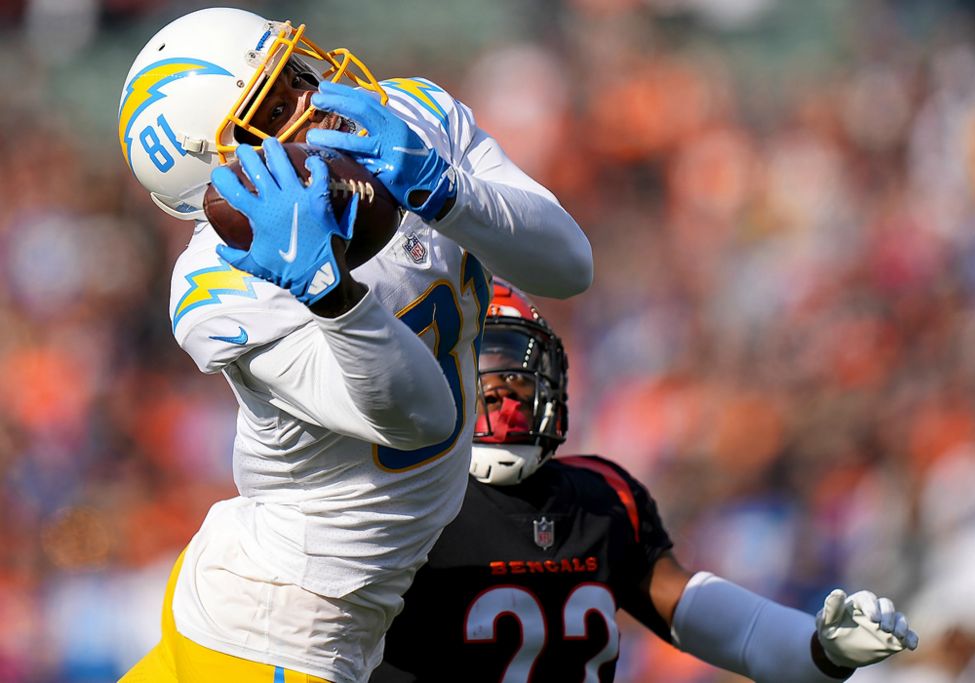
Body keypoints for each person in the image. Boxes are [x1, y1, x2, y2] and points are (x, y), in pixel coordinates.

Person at [115, 7, 592, 683]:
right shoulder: (218, 287)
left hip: (264, 607)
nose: (315, 102)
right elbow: (420, 417)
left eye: (297, 72)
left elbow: (570, 265)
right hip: (280, 636)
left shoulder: (411, 116)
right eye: (276, 106)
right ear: (225, 178)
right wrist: (326, 291)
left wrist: (446, 189)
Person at [370, 279, 918, 683]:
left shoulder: (601, 497)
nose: (506, 391)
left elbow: (729, 631)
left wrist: (824, 650)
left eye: (517, 369)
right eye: (485, 371)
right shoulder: (391, 498)